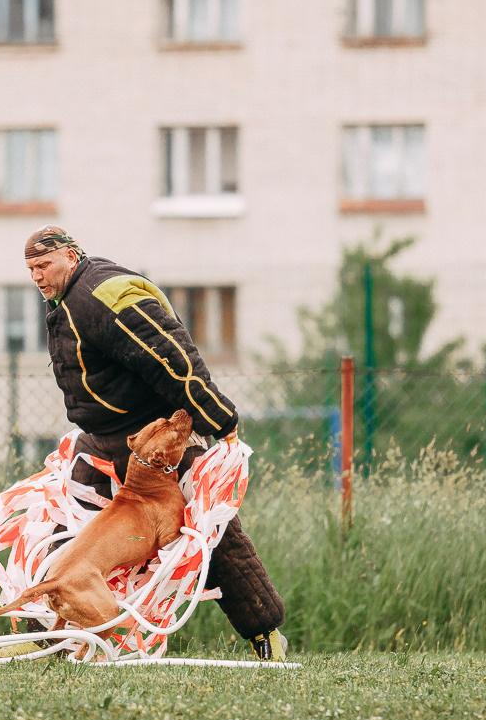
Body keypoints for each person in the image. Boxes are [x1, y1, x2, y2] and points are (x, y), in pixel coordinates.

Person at [17, 224, 287, 660]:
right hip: (99, 442)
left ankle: (265, 635)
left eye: (44, 265)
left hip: (153, 440)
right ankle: (42, 634)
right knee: (64, 532)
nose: (37, 276)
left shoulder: (107, 294)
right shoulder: (66, 300)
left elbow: (171, 355)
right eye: (31, 269)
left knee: (211, 531)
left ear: (70, 256)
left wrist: (217, 416)